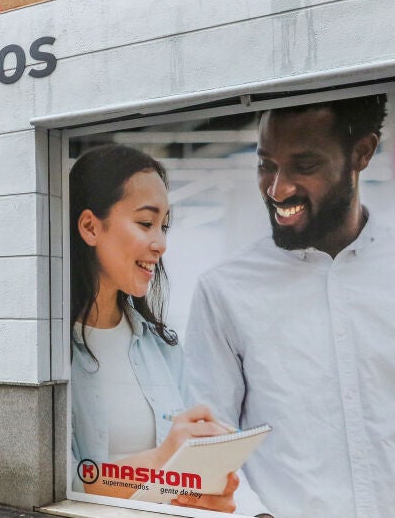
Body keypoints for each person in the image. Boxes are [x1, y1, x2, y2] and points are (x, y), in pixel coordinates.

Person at [184, 94, 395, 518]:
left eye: (304, 166)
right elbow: (210, 449)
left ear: (362, 153)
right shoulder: (223, 292)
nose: (278, 188)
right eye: (266, 164)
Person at [69, 144, 244, 513]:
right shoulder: (50, 353)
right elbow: (65, 483)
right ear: (90, 227)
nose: (161, 244)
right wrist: (165, 459)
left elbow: (178, 482)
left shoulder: (163, 347)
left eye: (163, 226)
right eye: (146, 223)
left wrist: (206, 490)